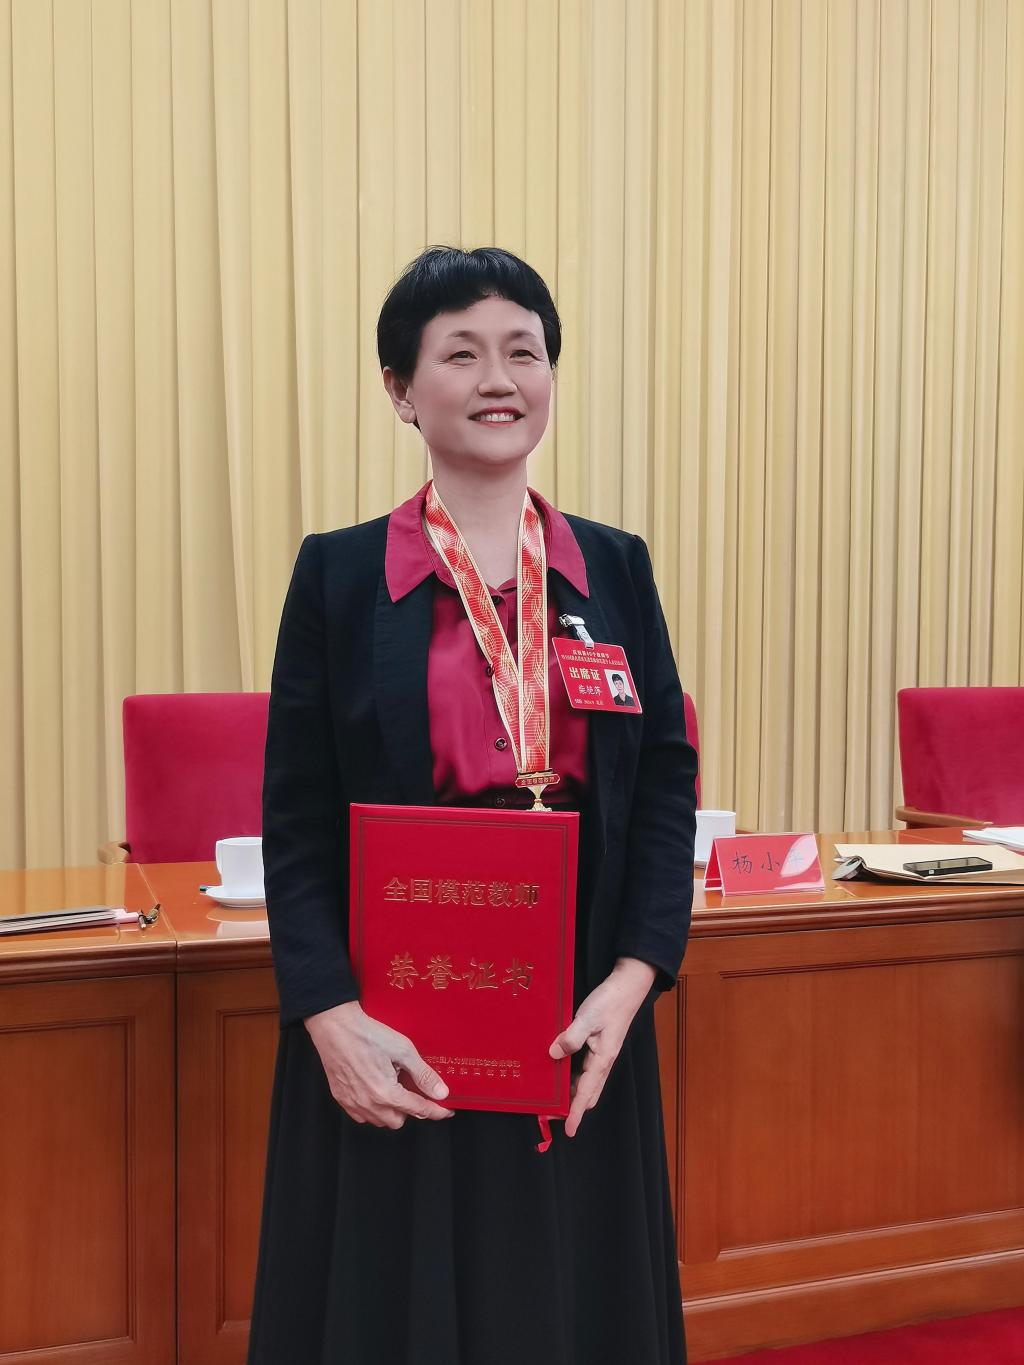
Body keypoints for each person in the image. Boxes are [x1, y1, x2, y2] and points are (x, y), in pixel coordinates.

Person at [248, 246, 698, 1365]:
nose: (499, 378)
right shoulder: (340, 576)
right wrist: (329, 1018)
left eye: (523, 351)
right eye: (460, 353)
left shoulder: (615, 569)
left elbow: (665, 783)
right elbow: (295, 819)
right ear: (400, 389)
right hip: (398, 1017)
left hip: (579, 1020)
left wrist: (636, 979)